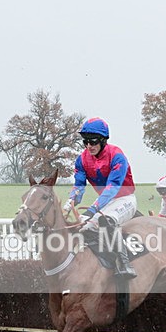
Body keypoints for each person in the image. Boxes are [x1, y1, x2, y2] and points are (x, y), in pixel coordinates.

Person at [63, 117, 138, 279]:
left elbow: (113, 187)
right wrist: (70, 202)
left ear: (103, 140)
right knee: (85, 227)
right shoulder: (81, 160)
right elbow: (79, 186)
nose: (89, 146)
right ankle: (104, 261)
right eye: (85, 142)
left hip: (125, 199)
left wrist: (92, 210)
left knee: (107, 220)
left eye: (93, 141)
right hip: (106, 203)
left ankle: (125, 264)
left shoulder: (117, 156)